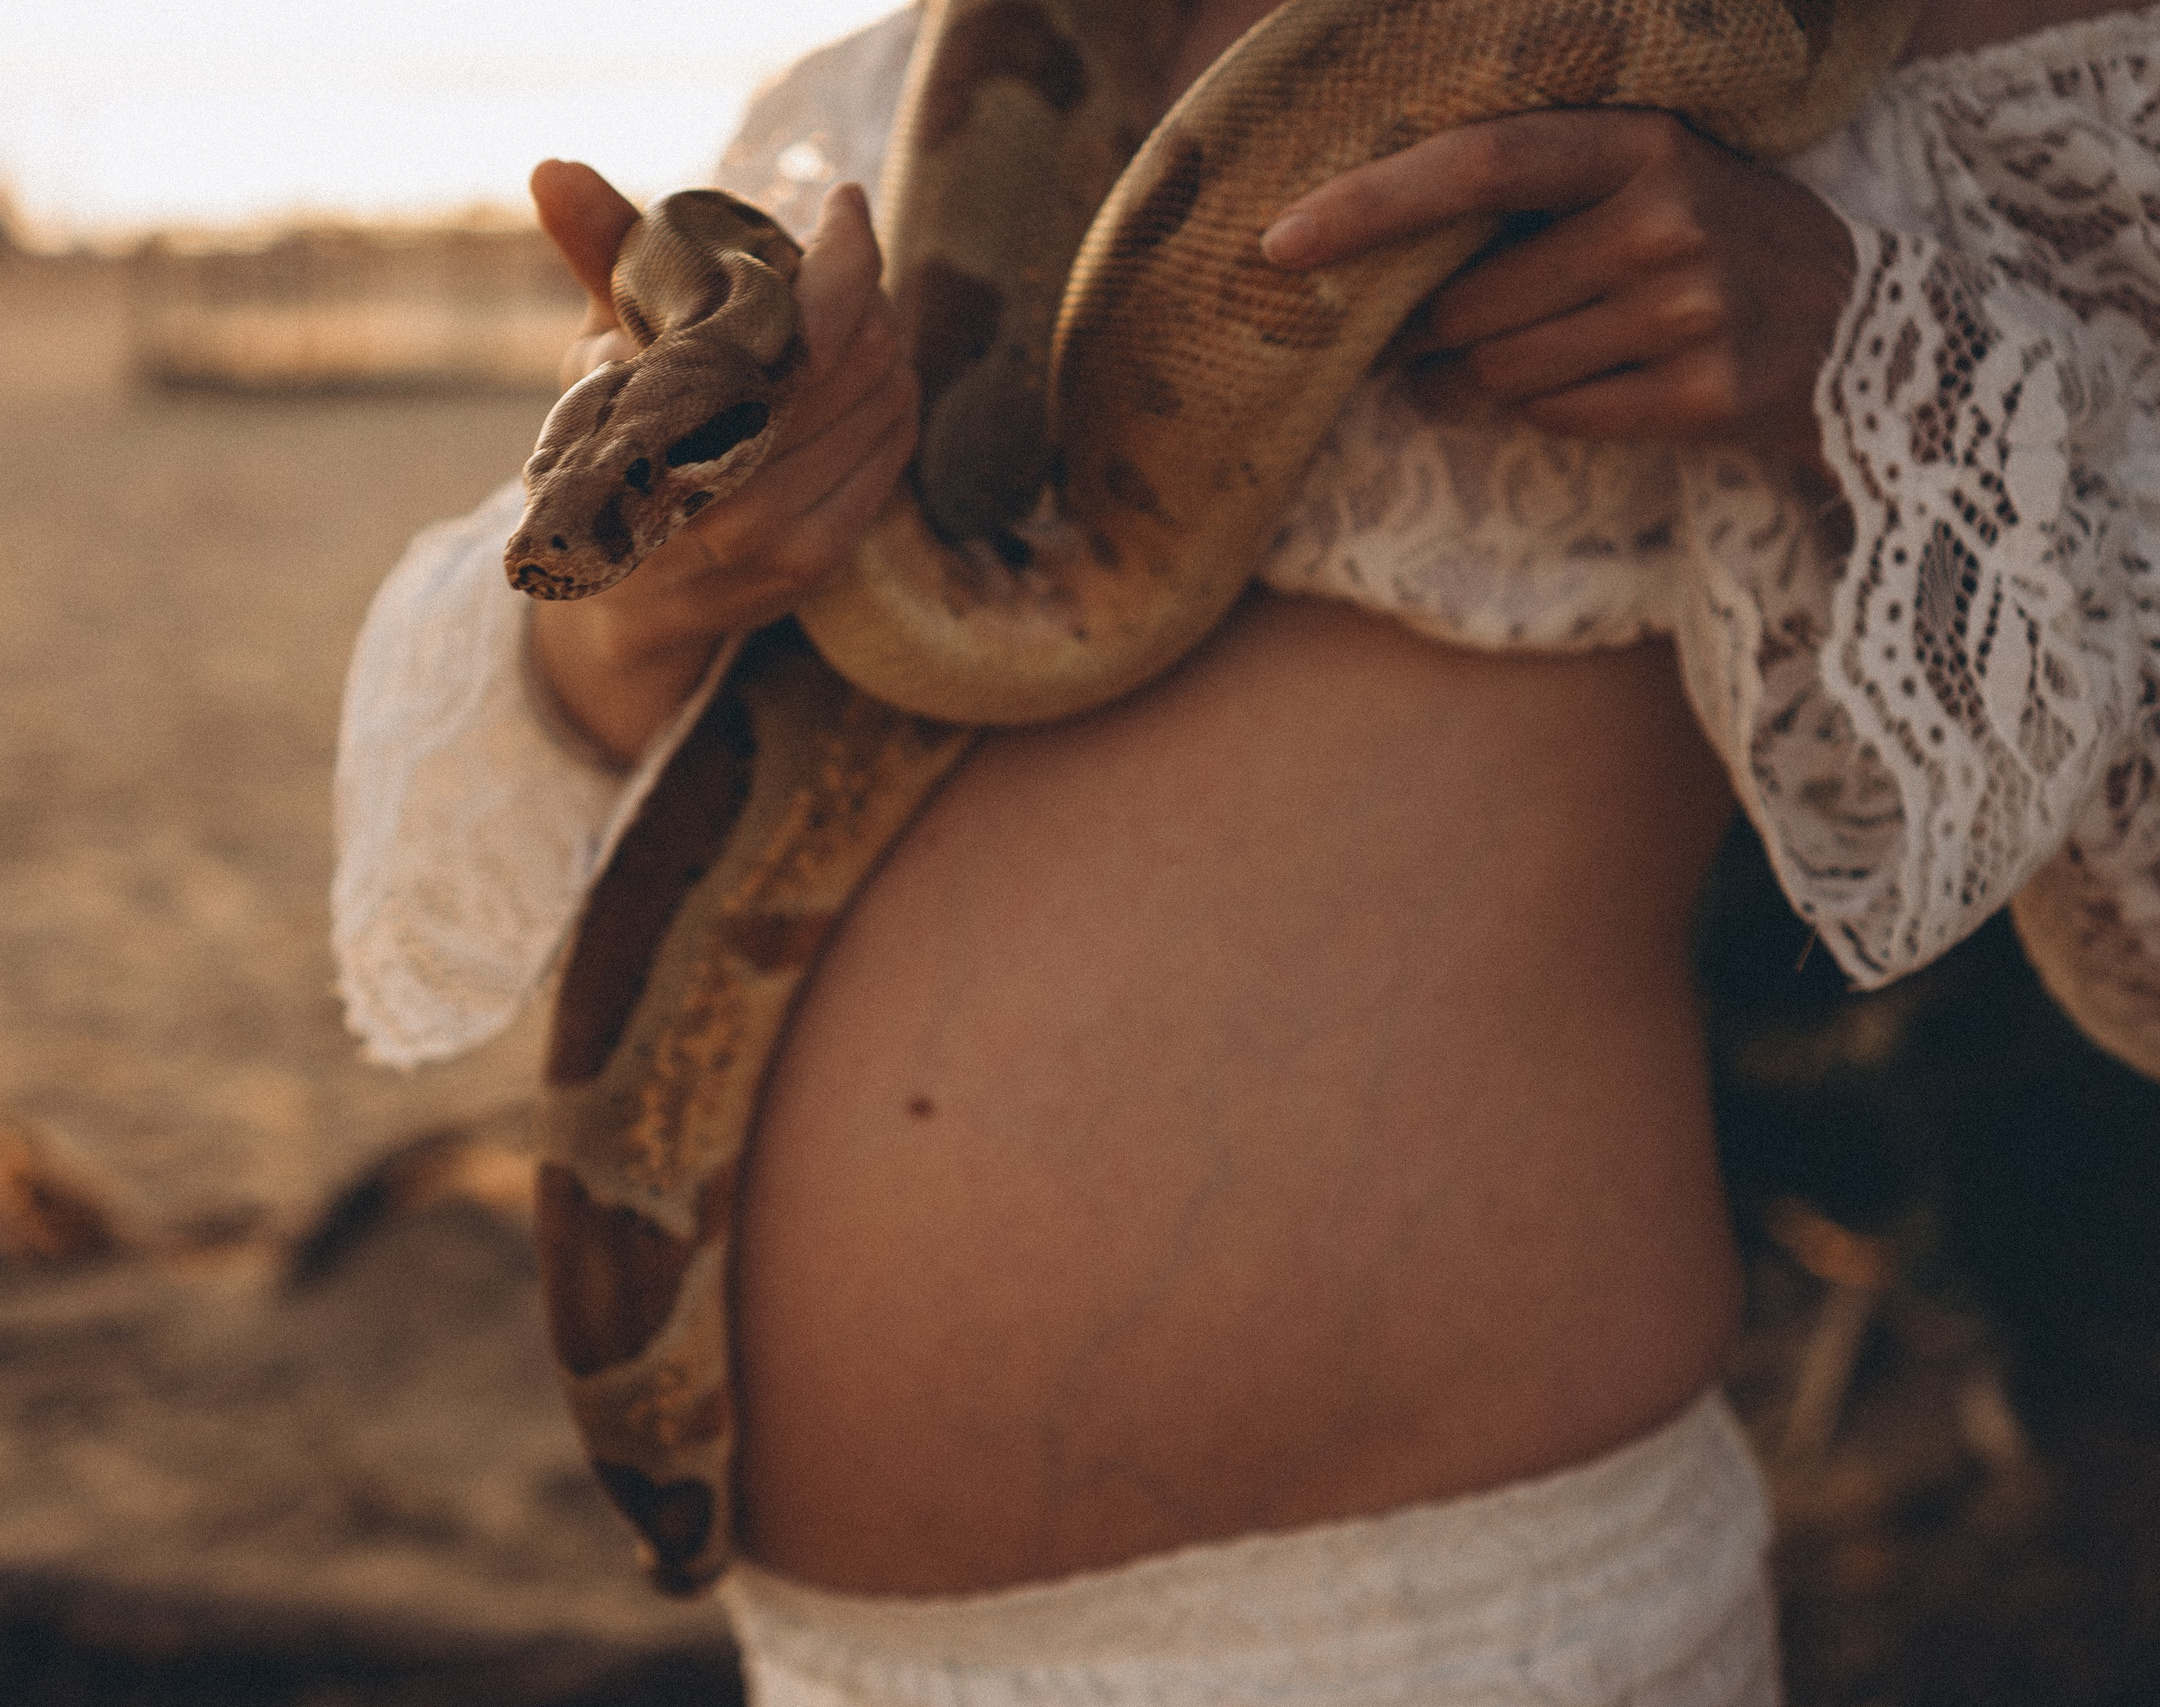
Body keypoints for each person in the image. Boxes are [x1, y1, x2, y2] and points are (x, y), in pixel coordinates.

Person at [332, 1, 2160, 1699]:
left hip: (1478, 1634)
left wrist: (1869, 363)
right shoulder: (881, 102)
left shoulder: (1907, 40)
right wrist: (644, 605)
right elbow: (581, 725)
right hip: (839, 1661)